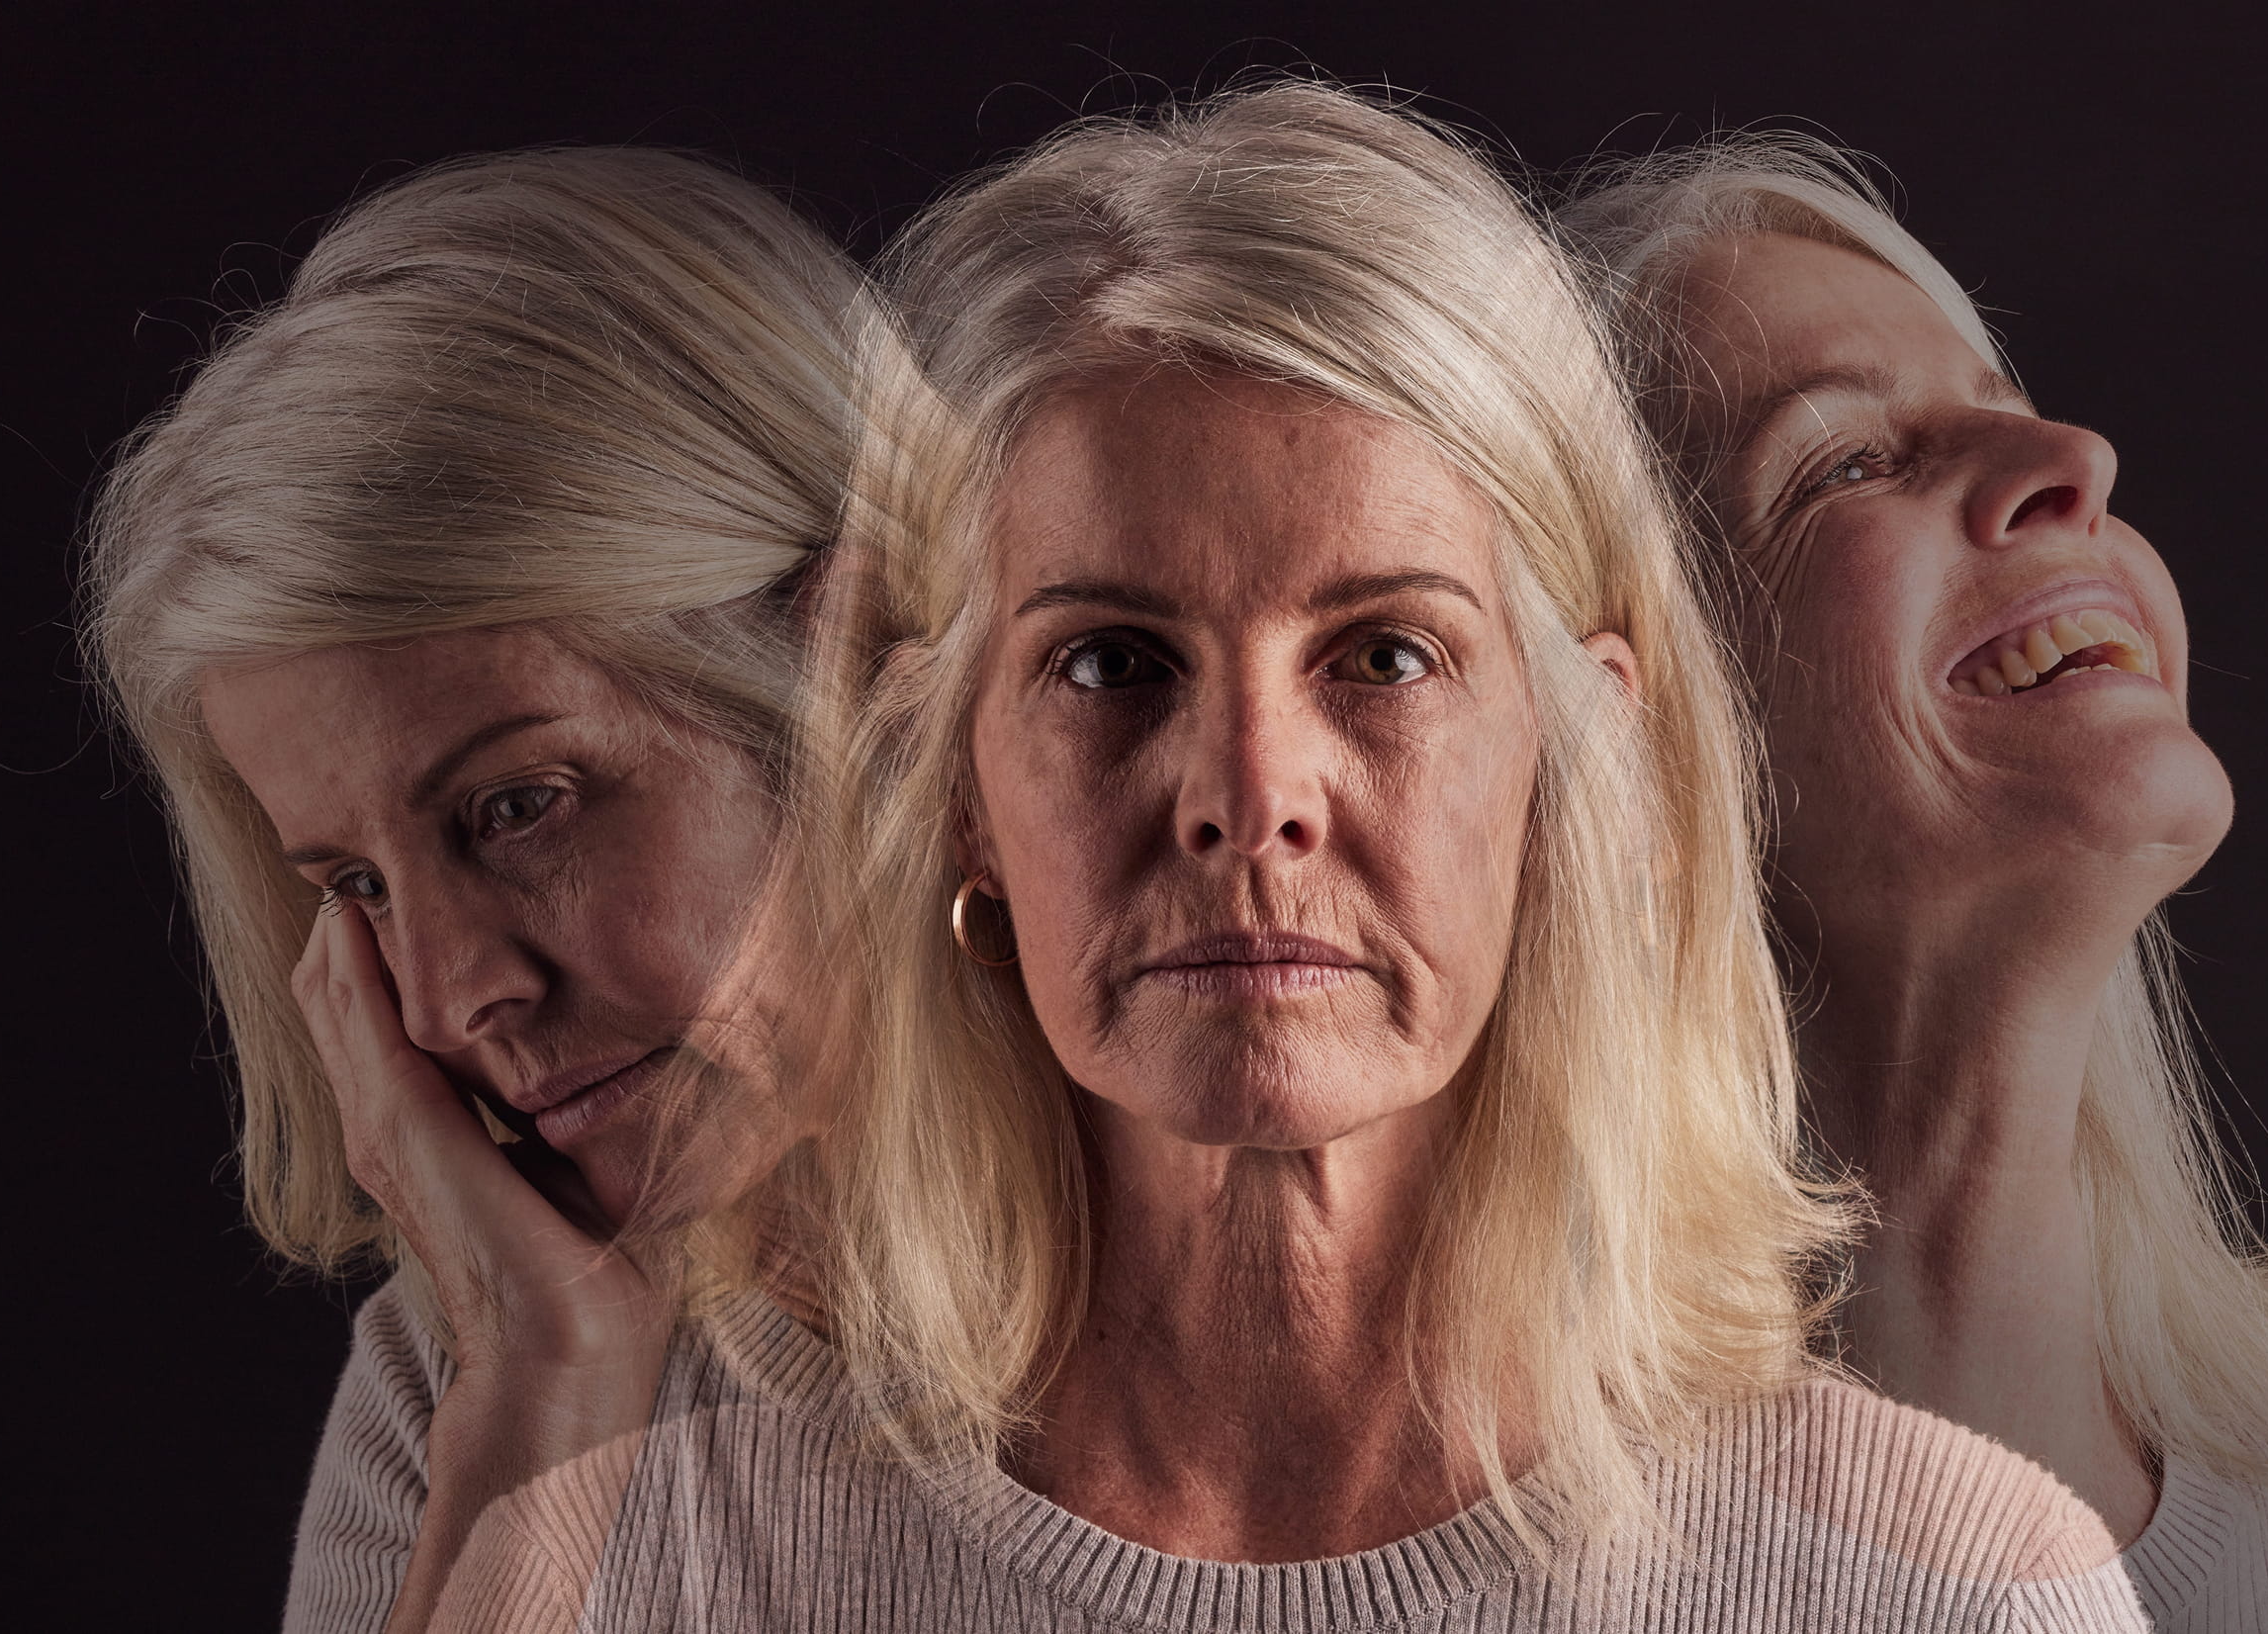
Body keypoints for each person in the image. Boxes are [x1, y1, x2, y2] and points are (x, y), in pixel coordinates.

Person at [435, 81, 2152, 1631]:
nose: (1251, 796)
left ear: (1589, 756)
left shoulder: (1946, 1588)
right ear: (949, 777)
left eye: (1385, 656)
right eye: (1110, 663)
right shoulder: (628, 1549)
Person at [1564, 136, 2268, 1630]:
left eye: (2014, 414)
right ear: (1627, 738)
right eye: (1846, 462)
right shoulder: (1457, 1568)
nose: (2074, 461)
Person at [82, 146, 865, 1633]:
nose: (448, 1002)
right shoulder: (455, 1381)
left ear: (863, 676)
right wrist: (537, 1402)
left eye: (518, 808)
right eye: (356, 885)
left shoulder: (1315, 1280)